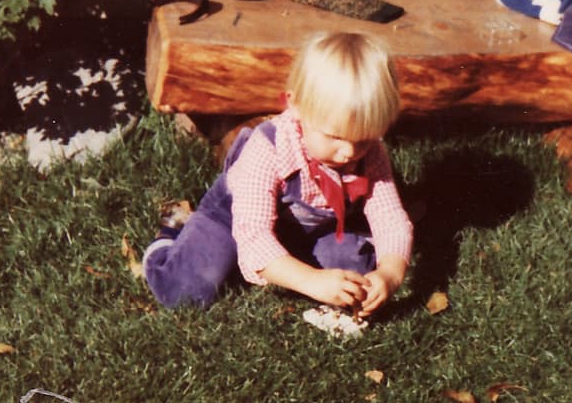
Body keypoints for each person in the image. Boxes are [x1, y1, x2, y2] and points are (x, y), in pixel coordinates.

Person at [142, 31, 413, 318]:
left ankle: (288, 263)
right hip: (235, 219)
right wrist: (310, 280)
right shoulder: (269, 148)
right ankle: (169, 238)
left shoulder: (370, 154)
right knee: (184, 292)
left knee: (354, 270)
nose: (348, 153)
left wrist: (389, 275)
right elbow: (254, 235)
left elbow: (390, 219)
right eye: (335, 136)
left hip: (305, 229)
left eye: (364, 139)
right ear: (295, 106)